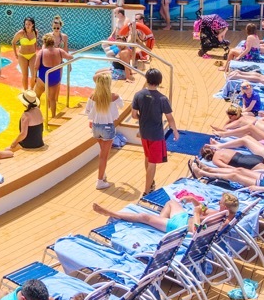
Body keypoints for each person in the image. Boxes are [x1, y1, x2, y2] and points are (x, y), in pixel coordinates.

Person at [94, 190, 239, 234]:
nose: (218, 203)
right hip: (183, 219)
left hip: (179, 226)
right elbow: (204, 210)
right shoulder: (225, 215)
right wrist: (193, 200)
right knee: (172, 202)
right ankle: (157, 222)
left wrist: (195, 213)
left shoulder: (222, 221)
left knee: (144, 216)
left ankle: (111, 213)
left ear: (225, 207)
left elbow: (197, 231)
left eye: (220, 203)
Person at [131, 69, 178, 195]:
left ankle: (150, 183)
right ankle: (147, 191)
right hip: (156, 135)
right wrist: (175, 131)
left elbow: (134, 115)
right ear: (159, 82)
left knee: (147, 157)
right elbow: (170, 118)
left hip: (144, 133)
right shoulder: (162, 99)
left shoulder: (138, 95)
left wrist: (143, 119)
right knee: (152, 162)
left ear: (147, 79)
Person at [86, 71, 124, 189]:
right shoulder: (114, 96)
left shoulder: (93, 96)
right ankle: (99, 181)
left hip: (96, 127)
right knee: (104, 155)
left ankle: (102, 173)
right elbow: (122, 106)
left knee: (102, 151)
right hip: (108, 127)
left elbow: (87, 111)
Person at [31, 35, 72, 121]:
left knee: (37, 96)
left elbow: (36, 66)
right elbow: (70, 57)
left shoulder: (42, 52)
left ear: (44, 43)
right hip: (55, 79)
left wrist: (34, 76)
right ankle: (53, 116)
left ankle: (37, 116)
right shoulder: (60, 51)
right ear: (53, 43)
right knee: (52, 99)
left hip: (43, 78)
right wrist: (61, 62)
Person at [12, 18, 40, 90]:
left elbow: (35, 42)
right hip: (22, 56)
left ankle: (31, 90)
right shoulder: (21, 33)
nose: (27, 26)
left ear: (32, 25)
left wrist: (35, 50)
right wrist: (15, 54)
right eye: (26, 24)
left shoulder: (35, 32)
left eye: (29, 24)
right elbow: (13, 42)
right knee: (25, 75)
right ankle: (25, 90)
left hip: (32, 55)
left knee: (34, 75)